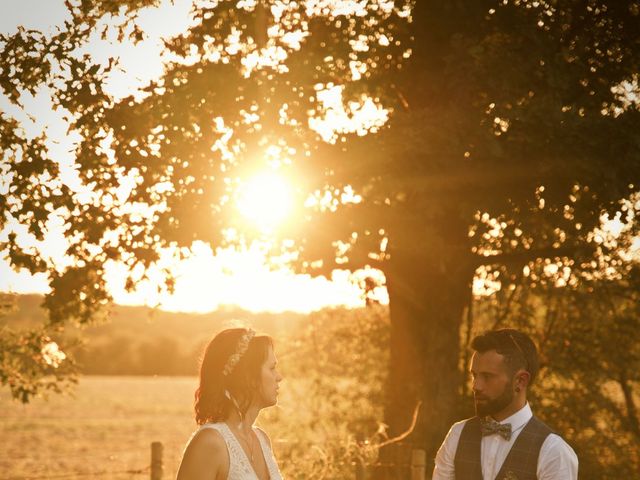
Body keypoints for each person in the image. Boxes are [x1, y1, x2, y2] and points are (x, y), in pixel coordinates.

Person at [432, 328, 578, 480]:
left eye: (487, 377)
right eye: (474, 375)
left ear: (520, 381)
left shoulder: (553, 451)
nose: (476, 386)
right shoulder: (457, 435)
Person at [176, 328, 283, 480]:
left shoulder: (262, 439)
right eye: (272, 368)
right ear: (247, 376)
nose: (279, 377)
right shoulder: (210, 443)